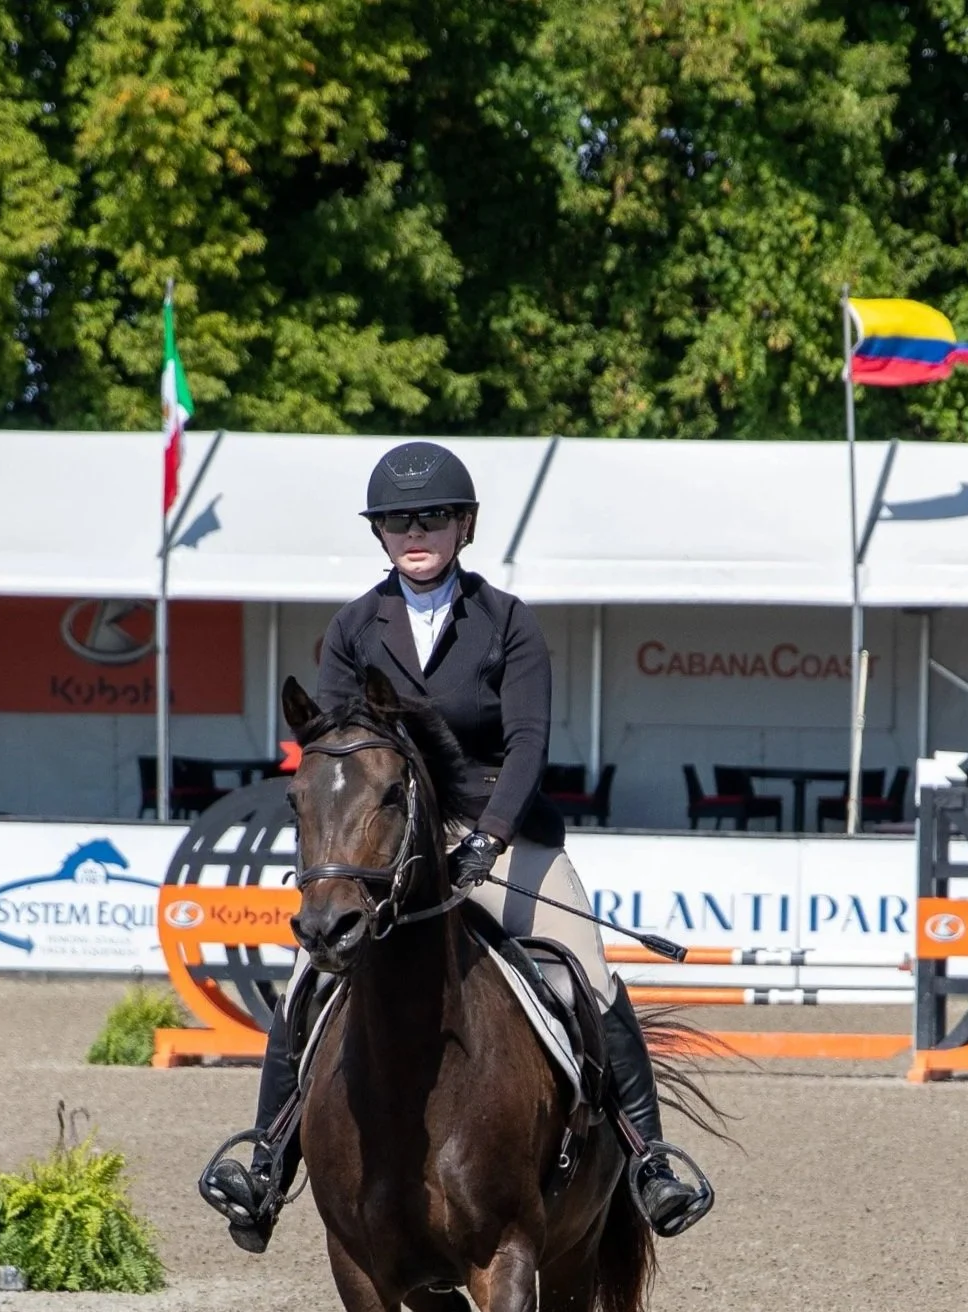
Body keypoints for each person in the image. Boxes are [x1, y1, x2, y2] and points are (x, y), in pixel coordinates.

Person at [200, 441, 714, 1251]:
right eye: (398, 520)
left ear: (462, 526)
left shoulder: (506, 621)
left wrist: (488, 837)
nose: (415, 532)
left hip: (494, 829)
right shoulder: (353, 627)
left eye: (432, 517)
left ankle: (649, 1161)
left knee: (587, 972)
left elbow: (528, 741)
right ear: (379, 532)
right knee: (308, 978)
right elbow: (336, 746)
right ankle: (264, 1165)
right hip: (386, 842)